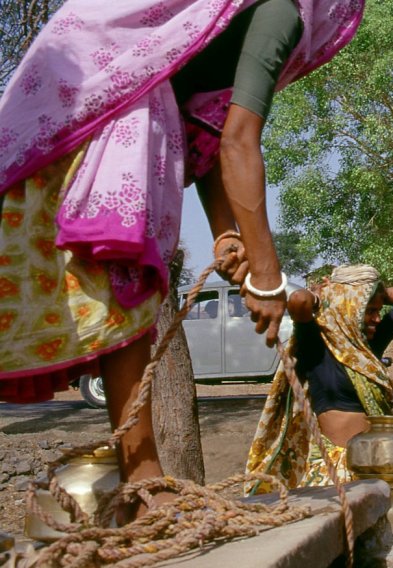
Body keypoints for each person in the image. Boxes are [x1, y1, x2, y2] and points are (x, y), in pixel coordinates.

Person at [0, 0, 366, 512]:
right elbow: (239, 142)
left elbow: (209, 132)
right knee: (124, 280)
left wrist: (225, 234)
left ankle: (142, 481)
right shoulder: (285, 8)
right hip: (105, 105)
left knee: (117, 294)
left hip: (54, 109)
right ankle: (145, 481)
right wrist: (266, 276)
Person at [247, 264, 393, 489]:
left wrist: (367, 290)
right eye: (370, 311)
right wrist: (326, 296)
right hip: (337, 474)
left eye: (378, 311)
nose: (378, 319)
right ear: (350, 307)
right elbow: (299, 301)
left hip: (376, 466)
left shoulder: (367, 349)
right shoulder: (317, 347)